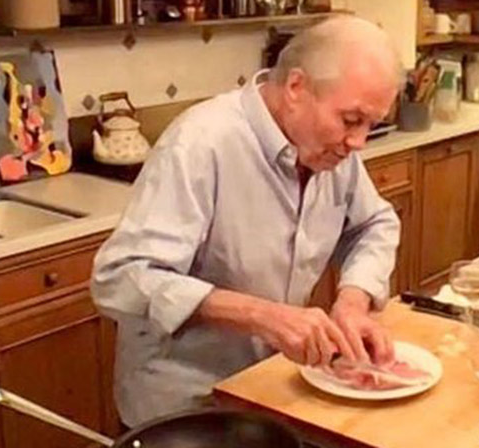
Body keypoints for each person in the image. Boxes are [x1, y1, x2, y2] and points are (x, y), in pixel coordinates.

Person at [91, 16, 404, 426]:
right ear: (296, 88)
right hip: (184, 411)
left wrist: (353, 301)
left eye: (371, 126)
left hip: (269, 391)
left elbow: (375, 224)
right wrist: (262, 316)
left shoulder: (331, 150)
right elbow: (118, 277)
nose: (359, 142)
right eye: (351, 121)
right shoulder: (200, 144)